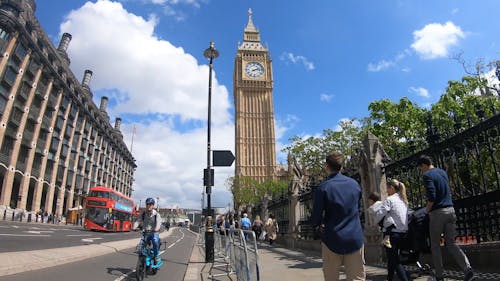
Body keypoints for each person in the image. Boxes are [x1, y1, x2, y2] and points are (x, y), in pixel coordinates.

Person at [417, 155, 474, 281]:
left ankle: (439, 275)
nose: (421, 171)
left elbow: (432, 195)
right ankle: (467, 268)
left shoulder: (427, 175)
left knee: (435, 245)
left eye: (421, 168)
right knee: (451, 243)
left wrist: (427, 210)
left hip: (438, 213)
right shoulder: (442, 172)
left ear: (424, 165)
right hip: (450, 210)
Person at [310, 152, 365, 281]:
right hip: (354, 238)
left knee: (331, 278)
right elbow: (358, 209)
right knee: (357, 278)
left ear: (326, 166)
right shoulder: (354, 184)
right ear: (342, 166)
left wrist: (317, 225)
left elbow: (316, 217)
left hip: (332, 239)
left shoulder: (323, 188)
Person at [372, 179, 410, 281]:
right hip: (402, 233)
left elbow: (380, 213)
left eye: (387, 188)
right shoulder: (404, 200)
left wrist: (374, 221)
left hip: (390, 234)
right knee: (391, 257)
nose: (386, 191)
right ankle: (390, 278)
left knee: (395, 260)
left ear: (392, 188)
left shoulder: (390, 200)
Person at [134, 197, 163, 264]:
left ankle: (156, 256)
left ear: (153, 205)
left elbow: (159, 222)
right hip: (145, 233)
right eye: (147, 204)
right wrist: (134, 227)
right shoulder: (143, 214)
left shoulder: (156, 214)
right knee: (141, 246)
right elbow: (138, 221)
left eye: (151, 204)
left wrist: (156, 229)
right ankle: (141, 260)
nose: (149, 205)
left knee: (155, 242)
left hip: (154, 233)